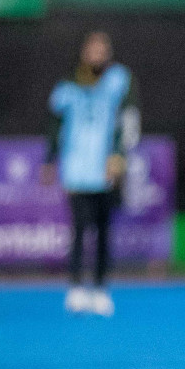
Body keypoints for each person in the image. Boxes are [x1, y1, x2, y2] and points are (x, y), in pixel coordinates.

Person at [42, 31, 139, 318]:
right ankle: (75, 288)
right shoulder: (68, 84)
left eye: (102, 49)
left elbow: (129, 119)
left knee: (103, 229)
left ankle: (100, 288)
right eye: (92, 48)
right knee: (79, 229)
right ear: (84, 51)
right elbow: (55, 124)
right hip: (76, 167)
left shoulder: (120, 80)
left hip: (105, 167)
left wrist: (119, 156)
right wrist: (49, 160)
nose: (97, 54)